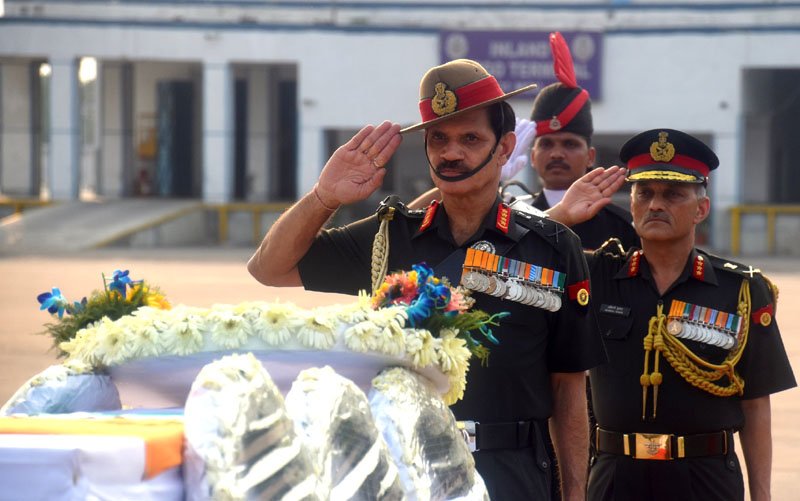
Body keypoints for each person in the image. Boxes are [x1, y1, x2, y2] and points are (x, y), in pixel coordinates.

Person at [247, 58, 606, 500]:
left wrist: (574, 494)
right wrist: (324, 197)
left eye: (470, 139)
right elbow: (269, 268)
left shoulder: (552, 248)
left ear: (505, 147)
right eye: (439, 139)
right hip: (407, 465)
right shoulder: (389, 236)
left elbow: (568, 389)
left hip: (511, 470)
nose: (450, 153)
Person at [549, 129, 797, 501]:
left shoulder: (741, 290)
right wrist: (560, 215)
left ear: (701, 209)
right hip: (616, 477)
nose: (655, 205)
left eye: (672, 195)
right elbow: (520, 258)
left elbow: (755, 404)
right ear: (631, 204)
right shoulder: (598, 274)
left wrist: (762, 496)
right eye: (644, 193)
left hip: (705, 479)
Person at [523, 32, 638, 251]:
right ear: (532, 157)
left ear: (590, 157)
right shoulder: (514, 215)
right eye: (546, 144)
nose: (557, 154)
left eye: (570, 144)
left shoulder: (622, 226)